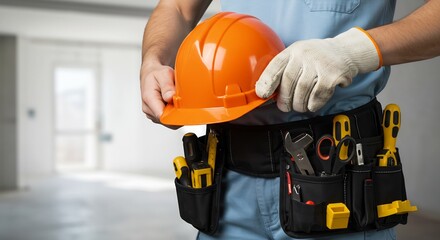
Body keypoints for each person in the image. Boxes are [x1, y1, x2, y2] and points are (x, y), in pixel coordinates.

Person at [140, 0, 440, 239]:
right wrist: (154, 59)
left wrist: (353, 51)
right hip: (227, 187)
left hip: (337, 187)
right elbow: (177, 6)